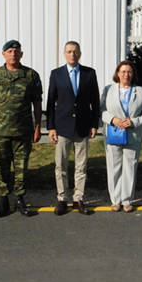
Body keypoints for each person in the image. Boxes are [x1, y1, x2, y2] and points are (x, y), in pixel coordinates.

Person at [0, 40, 43, 218]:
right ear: (3, 54)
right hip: (0, 131)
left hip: (23, 131)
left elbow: (37, 103)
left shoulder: (30, 75)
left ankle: (20, 199)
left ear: (21, 54)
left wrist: (38, 126)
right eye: (9, 51)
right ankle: (3, 200)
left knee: (21, 168)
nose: (13, 54)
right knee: (1, 167)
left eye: (16, 51)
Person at [46, 41, 101, 215]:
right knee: (60, 165)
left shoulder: (89, 74)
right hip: (62, 127)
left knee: (81, 166)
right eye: (69, 52)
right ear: (64, 54)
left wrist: (94, 124)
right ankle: (62, 199)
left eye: (75, 52)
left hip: (83, 126)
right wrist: (51, 127)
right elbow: (50, 101)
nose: (72, 55)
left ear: (80, 54)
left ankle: (78, 199)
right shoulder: (56, 74)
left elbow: (95, 102)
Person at [101, 61, 142, 212]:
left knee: (130, 167)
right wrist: (113, 119)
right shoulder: (109, 90)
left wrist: (134, 122)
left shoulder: (140, 92)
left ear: (133, 74)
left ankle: (127, 200)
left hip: (133, 134)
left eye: (129, 72)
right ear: (117, 73)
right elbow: (102, 109)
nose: (126, 75)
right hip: (114, 133)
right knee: (114, 167)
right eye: (123, 71)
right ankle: (115, 200)